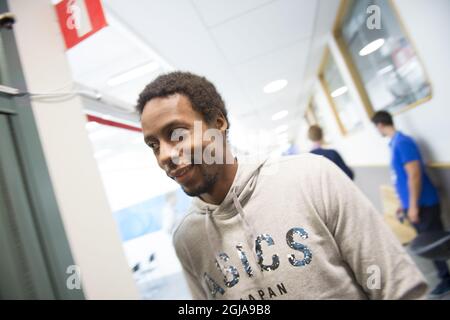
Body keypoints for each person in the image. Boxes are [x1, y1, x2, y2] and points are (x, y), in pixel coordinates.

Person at [136, 71, 427, 300]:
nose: (164, 155)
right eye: (153, 145)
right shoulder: (187, 239)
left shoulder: (312, 177)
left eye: (177, 134)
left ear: (218, 122)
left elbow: (400, 290)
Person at [371, 110, 450, 297]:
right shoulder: (395, 143)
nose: (377, 130)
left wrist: (413, 205)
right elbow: (401, 177)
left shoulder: (403, 142)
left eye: (376, 127)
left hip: (423, 203)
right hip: (414, 204)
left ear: (380, 125)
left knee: (434, 244)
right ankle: (444, 276)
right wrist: (403, 204)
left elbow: (414, 174)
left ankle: (445, 279)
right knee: (428, 244)